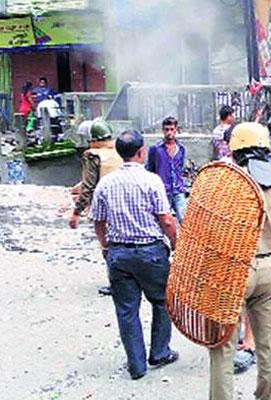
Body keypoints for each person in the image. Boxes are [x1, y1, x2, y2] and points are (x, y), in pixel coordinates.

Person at [209, 122, 271, 400]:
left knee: (223, 346)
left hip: (234, 270)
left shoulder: (227, 183)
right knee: (267, 345)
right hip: (269, 271)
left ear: (236, 151)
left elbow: (213, 235)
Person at [91, 130, 179, 380]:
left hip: (119, 254)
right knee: (162, 302)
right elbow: (166, 219)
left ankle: (137, 366)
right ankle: (160, 352)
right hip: (151, 252)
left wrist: (105, 246)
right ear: (141, 152)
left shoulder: (105, 183)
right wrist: (176, 243)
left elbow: (98, 221)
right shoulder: (152, 181)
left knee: (127, 310)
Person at [69, 120, 123, 295]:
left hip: (104, 206)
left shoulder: (92, 155)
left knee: (107, 246)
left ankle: (116, 282)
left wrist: (76, 212)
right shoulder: (118, 150)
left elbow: (89, 186)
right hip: (125, 202)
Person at [146, 117, 188, 223]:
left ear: (176, 130)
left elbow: (180, 168)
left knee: (185, 220)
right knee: (164, 222)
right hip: (163, 191)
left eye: (171, 129)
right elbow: (150, 169)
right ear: (163, 130)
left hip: (178, 190)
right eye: (166, 129)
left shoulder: (181, 149)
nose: (169, 132)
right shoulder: (155, 149)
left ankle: (183, 240)